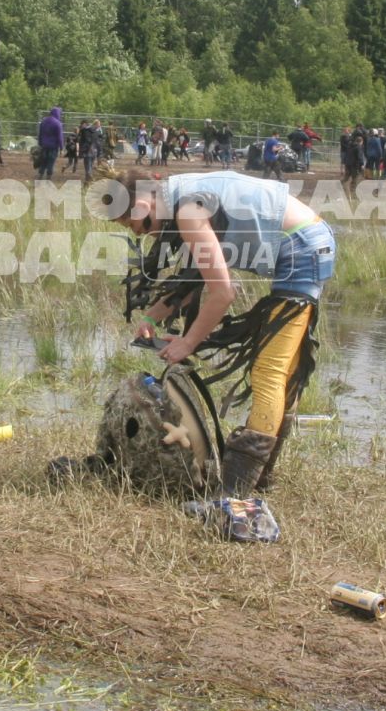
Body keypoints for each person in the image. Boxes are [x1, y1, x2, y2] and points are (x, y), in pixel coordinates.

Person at [110, 168, 336, 526]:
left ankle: (234, 492)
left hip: (301, 248)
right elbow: (199, 274)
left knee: (269, 372)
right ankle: (259, 477)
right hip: (307, 241)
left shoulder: (186, 211)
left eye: (133, 224)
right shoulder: (179, 198)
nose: (140, 232)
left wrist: (187, 343)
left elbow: (223, 292)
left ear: (140, 205)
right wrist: (153, 317)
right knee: (282, 370)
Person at [36, 107, 63, 180]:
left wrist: (40, 144)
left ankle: (40, 175)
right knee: (51, 161)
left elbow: (40, 134)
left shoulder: (43, 121)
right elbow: (59, 137)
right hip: (53, 146)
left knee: (43, 161)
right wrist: (61, 148)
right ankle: (48, 177)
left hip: (44, 145)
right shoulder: (58, 123)